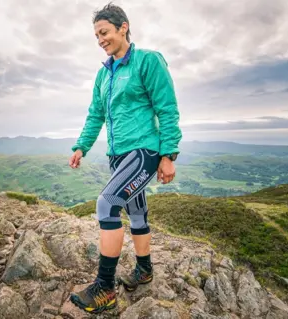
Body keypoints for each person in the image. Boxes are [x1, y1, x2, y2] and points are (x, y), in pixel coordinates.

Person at [68, 2, 182, 314]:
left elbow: (167, 108)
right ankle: (144, 270)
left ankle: (104, 288)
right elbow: (95, 116)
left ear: (123, 27)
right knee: (137, 214)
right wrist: (81, 146)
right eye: (96, 36)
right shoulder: (103, 74)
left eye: (104, 32)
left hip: (144, 151)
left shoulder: (147, 61)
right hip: (117, 156)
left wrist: (168, 154)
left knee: (106, 204)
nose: (100, 39)